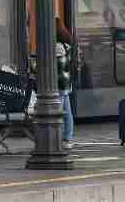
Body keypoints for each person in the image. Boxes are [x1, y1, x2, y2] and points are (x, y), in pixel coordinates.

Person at [55, 17, 74, 150]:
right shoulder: (66, 44)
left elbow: (54, 65)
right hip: (66, 82)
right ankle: (67, 138)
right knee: (67, 112)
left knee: (58, 113)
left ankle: (58, 138)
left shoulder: (56, 47)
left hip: (59, 83)